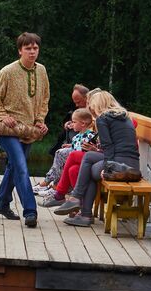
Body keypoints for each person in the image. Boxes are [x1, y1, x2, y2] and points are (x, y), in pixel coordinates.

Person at [53, 88, 140, 227]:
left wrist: (107, 168)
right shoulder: (125, 116)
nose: (91, 110)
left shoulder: (103, 118)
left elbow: (108, 147)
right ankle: (81, 207)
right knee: (88, 161)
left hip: (118, 165)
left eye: (92, 105)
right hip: (133, 165)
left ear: (98, 104)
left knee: (89, 163)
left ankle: (81, 207)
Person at [0, 32, 50, 227]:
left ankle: (2, 203)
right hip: (8, 130)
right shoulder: (7, 72)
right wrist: (3, 116)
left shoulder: (41, 71)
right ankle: (30, 212)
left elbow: (44, 98)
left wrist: (40, 120)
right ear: (20, 50)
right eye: (28, 48)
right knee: (21, 167)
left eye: (35, 48)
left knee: (14, 166)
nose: (32, 52)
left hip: (28, 131)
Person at [37, 108, 95, 205]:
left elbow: (87, 150)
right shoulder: (76, 137)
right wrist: (70, 145)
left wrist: (94, 148)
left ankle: (58, 189)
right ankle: (73, 198)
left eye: (74, 122)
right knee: (70, 169)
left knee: (68, 163)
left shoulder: (90, 136)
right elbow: (76, 147)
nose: (72, 124)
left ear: (83, 124)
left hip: (84, 163)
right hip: (76, 163)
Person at [48, 85, 90, 156]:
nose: (76, 105)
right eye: (75, 102)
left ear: (86, 97)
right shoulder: (76, 110)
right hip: (70, 143)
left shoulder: (93, 110)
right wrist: (68, 123)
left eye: (78, 102)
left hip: (82, 145)